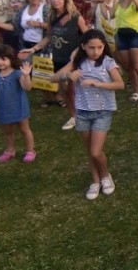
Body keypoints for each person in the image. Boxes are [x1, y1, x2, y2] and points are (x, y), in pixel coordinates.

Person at [50, 30, 124, 200]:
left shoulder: (107, 62)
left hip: (103, 112)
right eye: (91, 48)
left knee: (96, 151)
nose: (96, 51)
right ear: (83, 46)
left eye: (99, 47)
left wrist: (97, 84)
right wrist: (68, 75)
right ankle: (95, 181)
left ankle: (105, 176)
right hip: (83, 112)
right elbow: (53, 78)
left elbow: (120, 84)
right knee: (90, 150)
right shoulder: (78, 62)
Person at [19, 0, 88, 129]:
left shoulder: (76, 17)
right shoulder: (52, 17)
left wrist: (78, 50)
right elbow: (49, 37)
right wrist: (33, 49)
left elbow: (88, 37)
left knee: (74, 88)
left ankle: (84, 114)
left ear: (66, 0)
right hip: (58, 57)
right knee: (66, 90)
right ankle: (74, 116)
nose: (56, 1)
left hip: (73, 59)